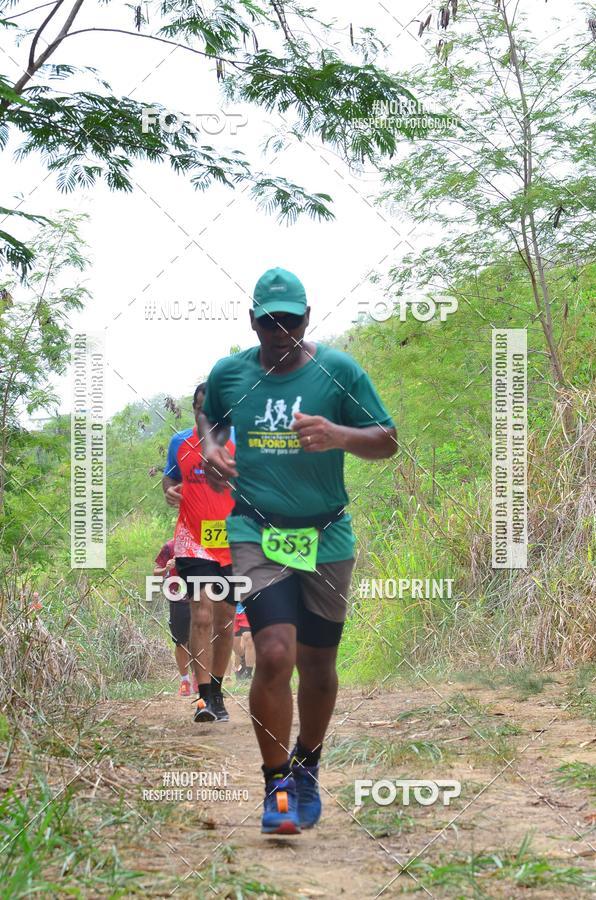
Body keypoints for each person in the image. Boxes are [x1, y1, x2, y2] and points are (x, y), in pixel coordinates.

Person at [197, 268, 396, 834]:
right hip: (257, 532)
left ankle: (308, 763)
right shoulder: (230, 373)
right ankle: (276, 782)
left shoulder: (339, 372)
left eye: (290, 318)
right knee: (276, 651)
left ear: (307, 318)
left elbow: (387, 439)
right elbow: (209, 412)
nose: (279, 328)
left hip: (326, 533)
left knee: (318, 663)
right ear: (253, 320)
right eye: (269, 319)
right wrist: (213, 446)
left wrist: (339, 434)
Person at [163, 383, 236, 723]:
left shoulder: (242, 441)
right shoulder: (180, 442)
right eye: (199, 409)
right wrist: (171, 491)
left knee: (224, 618)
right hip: (193, 538)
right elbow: (169, 480)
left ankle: (218, 691)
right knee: (202, 612)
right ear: (193, 409)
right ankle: (204, 698)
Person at [153, 538, 196, 696]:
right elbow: (156, 572)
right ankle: (185, 680)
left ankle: (199, 677)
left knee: (199, 639)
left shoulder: (202, 541)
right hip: (177, 597)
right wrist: (166, 568)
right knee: (180, 641)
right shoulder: (169, 546)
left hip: (201, 596)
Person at [233, 600, 255, 679]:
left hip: (247, 610)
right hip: (231, 610)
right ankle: (244, 659)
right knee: (233, 644)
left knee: (248, 638)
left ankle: (248, 673)